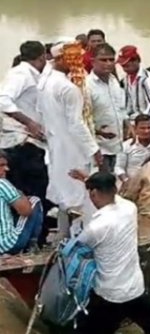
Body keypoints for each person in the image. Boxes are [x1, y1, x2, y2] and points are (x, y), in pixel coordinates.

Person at [71, 171, 150, 334]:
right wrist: (87, 179)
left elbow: (77, 247)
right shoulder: (130, 208)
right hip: (136, 289)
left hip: (110, 295)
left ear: (93, 193)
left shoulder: (96, 227)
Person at [37, 39, 102, 238]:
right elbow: (76, 124)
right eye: (75, 59)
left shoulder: (44, 82)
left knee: (65, 196)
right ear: (61, 59)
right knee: (82, 196)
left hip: (57, 148)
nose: (79, 65)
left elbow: (40, 113)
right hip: (74, 150)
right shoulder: (67, 88)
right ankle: (85, 239)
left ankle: (64, 237)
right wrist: (94, 150)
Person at [0, 41, 51, 244]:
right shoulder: (21, 75)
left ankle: (36, 237)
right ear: (41, 58)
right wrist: (29, 122)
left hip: (30, 145)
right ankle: (32, 240)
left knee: (31, 191)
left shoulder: (32, 76)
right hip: (22, 145)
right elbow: (3, 100)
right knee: (34, 194)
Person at [87, 43, 128, 173]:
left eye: (111, 60)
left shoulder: (114, 81)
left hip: (117, 144)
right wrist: (100, 133)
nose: (108, 63)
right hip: (98, 148)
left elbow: (120, 107)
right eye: (103, 60)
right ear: (93, 61)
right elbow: (82, 120)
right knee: (100, 185)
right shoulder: (86, 86)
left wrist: (127, 124)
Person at [0, 151, 43, 255]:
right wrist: (19, 194)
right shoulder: (2, 184)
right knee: (34, 201)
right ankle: (31, 246)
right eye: (1, 165)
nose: (7, 169)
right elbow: (26, 211)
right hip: (7, 245)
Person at [117, 45, 150, 129]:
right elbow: (128, 104)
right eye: (123, 67)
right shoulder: (126, 79)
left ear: (136, 61)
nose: (125, 69)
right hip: (135, 118)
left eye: (126, 66)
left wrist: (140, 123)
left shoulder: (146, 79)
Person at [115, 114, 150, 186]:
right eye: (142, 128)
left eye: (149, 127)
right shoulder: (126, 145)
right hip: (131, 185)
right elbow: (119, 167)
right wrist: (126, 181)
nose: (146, 131)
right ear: (135, 129)